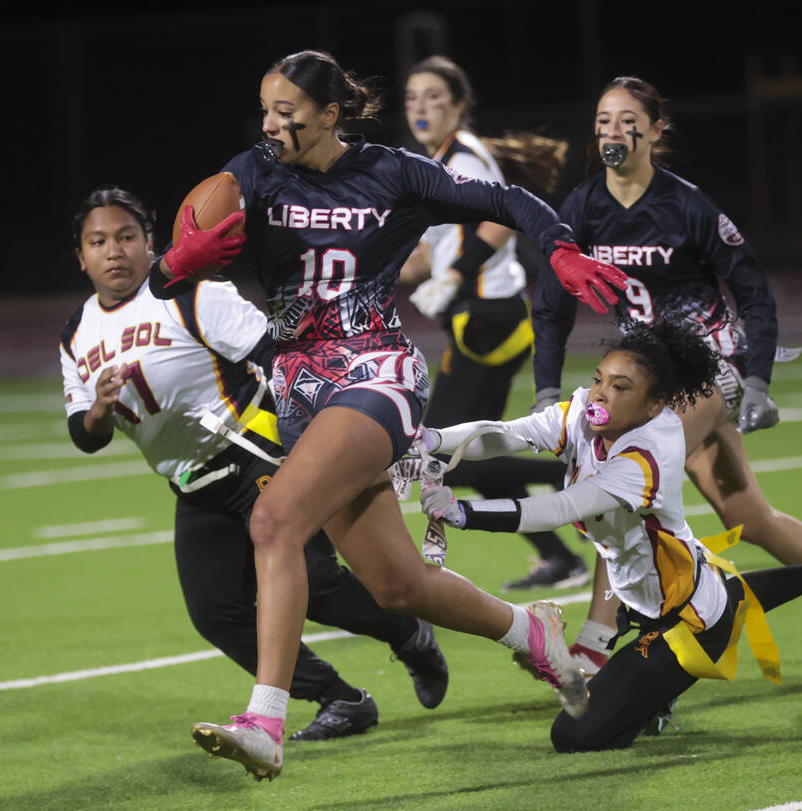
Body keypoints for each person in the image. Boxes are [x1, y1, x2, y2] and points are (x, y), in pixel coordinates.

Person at [149, 49, 629, 781]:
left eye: (290, 112)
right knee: (396, 585)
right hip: (297, 385)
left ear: (332, 114)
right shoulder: (250, 171)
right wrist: (178, 263)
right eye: (267, 109)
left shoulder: (395, 170)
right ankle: (529, 629)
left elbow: (510, 202)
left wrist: (559, 248)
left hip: (376, 370)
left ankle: (264, 719)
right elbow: (164, 277)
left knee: (274, 520)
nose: (273, 124)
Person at [531, 75, 802, 675]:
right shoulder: (582, 207)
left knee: (625, 477)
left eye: (626, 120)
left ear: (657, 131)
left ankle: (598, 645)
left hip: (710, 365)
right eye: (603, 120)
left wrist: (756, 380)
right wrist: (546, 391)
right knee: (749, 519)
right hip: (650, 381)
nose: (611, 131)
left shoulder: (687, 205)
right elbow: (551, 305)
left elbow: (755, 294)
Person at [60, 185, 450, 744]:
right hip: (194, 483)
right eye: (98, 242)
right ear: (81, 256)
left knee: (314, 580)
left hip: (255, 453)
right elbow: (85, 435)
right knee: (216, 611)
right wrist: (100, 407)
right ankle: (341, 698)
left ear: (152, 242)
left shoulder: (191, 295)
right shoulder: (75, 332)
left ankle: (408, 632)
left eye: (126, 237)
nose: (114, 251)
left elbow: (280, 360)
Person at [418, 317, 802, 751]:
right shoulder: (588, 413)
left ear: (654, 404)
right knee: (718, 600)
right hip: (652, 597)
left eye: (620, 387)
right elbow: (509, 433)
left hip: (683, 622)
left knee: (573, 736)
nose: (600, 394)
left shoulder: (648, 453)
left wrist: (464, 512)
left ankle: (663, 689)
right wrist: (432, 441)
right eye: (599, 379)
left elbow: (561, 508)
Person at [399, 55, 588, 590]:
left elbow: (501, 222)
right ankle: (562, 547)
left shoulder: (461, 156)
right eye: (412, 97)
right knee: (464, 458)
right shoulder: (435, 161)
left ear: (459, 105)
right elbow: (420, 259)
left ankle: (585, 471)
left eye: (434, 96)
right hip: (480, 321)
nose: (421, 107)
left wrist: (453, 276)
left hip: (490, 321)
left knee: (443, 452)